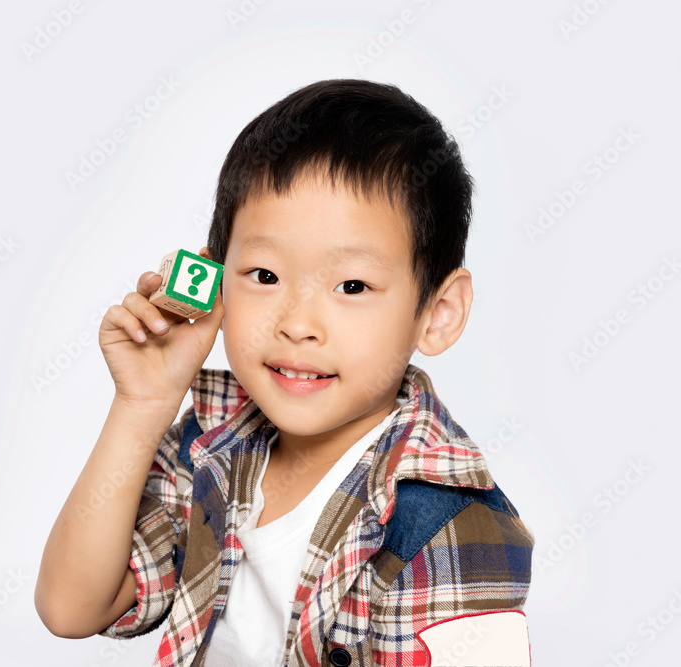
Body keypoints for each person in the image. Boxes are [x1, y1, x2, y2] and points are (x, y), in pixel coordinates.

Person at [35, 79, 535, 666]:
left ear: (437, 313)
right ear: (214, 282)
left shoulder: (450, 525)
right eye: (265, 276)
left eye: (352, 286)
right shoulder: (210, 443)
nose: (298, 324)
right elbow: (71, 608)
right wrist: (143, 404)